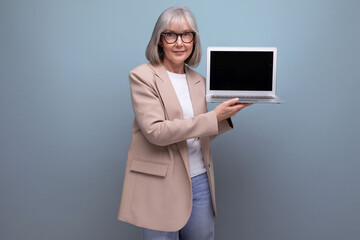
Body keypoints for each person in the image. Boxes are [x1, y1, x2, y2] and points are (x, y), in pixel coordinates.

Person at [118, 6, 251, 240]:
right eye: (171, 34)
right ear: (160, 40)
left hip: (199, 180)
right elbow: (156, 132)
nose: (179, 42)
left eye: (186, 34)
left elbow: (198, 131)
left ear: (194, 40)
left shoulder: (199, 81)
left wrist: (227, 115)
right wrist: (213, 117)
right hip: (159, 182)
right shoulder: (142, 76)